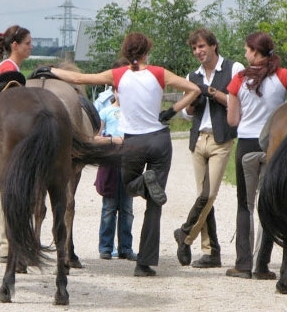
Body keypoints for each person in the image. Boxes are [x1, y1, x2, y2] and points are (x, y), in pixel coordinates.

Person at [42, 32, 200, 276]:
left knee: (128, 186)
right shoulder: (159, 73)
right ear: (147, 50)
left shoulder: (118, 75)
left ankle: (142, 183)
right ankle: (144, 264)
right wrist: (171, 111)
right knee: (154, 206)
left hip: (133, 141)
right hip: (159, 139)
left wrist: (50, 71)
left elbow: (79, 77)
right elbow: (193, 89)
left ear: (126, 52)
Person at [225, 31, 287, 279]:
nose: (244, 54)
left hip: (246, 145)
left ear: (255, 52)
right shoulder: (283, 75)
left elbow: (232, 119)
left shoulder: (238, 80)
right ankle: (262, 265)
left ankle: (243, 264)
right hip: (275, 145)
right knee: (270, 204)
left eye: (246, 49)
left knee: (246, 204)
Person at [174, 28, 244, 268]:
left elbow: (239, 102)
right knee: (203, 198)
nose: (198, 51)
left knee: (209, 194)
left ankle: (185, 235)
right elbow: (185, 112)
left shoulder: (234, 69)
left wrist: (213, 93)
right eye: (194, 48)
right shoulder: (191, 76)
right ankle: (210, 251)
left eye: (202, 46)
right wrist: (192, 105)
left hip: (220, 138)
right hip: (198, 139)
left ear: (214, 46)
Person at [0, 25, 33, 264]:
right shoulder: (9, 70)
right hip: (7, 138)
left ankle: (4, 236)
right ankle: (7, 244)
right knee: (13, 191)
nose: (31, 47)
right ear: (14, 45)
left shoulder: (11, 67)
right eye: (27, 43)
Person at [94, 83, 136, 261]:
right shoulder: (105, 112)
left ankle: (125, 247)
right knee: (109, 207)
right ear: (114, 92)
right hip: (111, 161)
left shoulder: (133, 113)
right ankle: (105, 247)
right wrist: (113, 140)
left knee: (127, 208)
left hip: (128, 161)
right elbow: (96, 137)